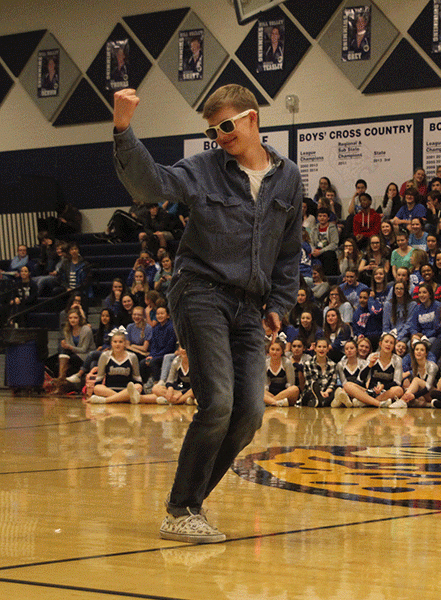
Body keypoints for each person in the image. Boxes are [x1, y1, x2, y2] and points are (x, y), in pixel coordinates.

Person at [113, 84, 302, 543]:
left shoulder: (289, 177)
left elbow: (290, 250)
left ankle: (189, 507)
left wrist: (278, 304)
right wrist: (123, 129)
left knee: (250, 413)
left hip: (251, 304)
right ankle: (180, 509)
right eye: (212, 129)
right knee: (218, 402)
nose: (219, 136)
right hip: (200, 291)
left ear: (252, 119)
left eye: (226, 126)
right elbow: (148, 184)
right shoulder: (204, 169)